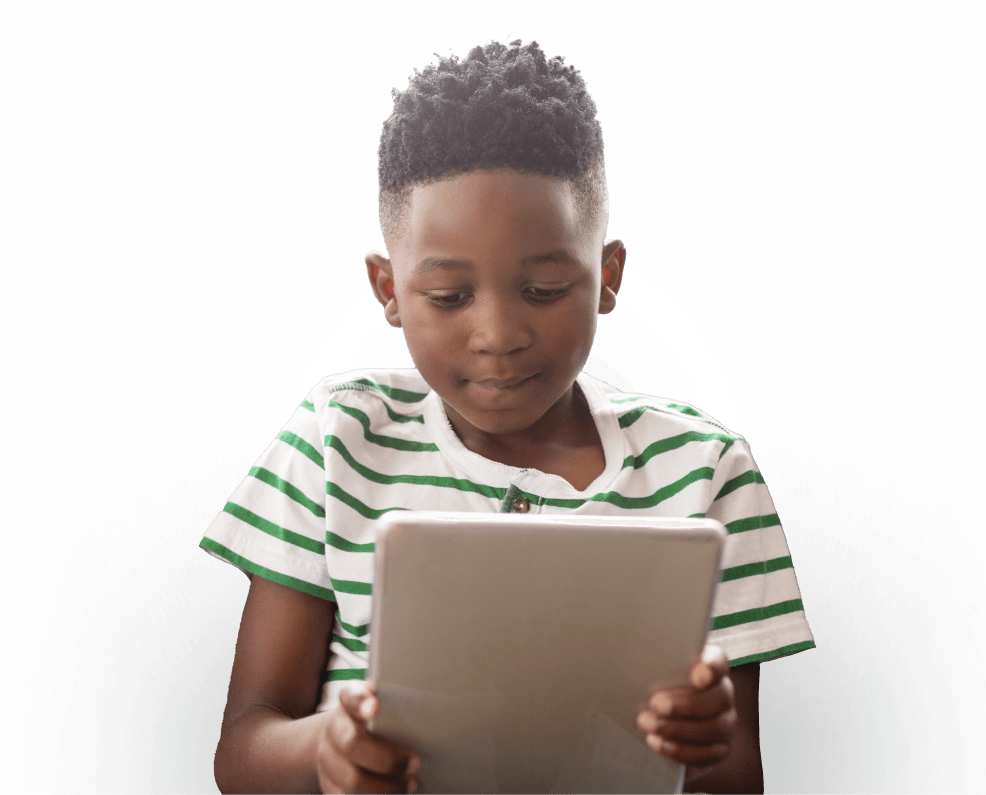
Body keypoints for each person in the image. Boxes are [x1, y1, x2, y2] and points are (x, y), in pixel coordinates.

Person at [203, 38, 815, 794]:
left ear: (607, 277)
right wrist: (326, 748)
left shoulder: (705, 469)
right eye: (450, 297)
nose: (498, 335)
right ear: (388, 289)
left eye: (547, 287)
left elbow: (734, 775)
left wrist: (702, 741)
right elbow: (244, 751)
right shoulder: (337, 438)